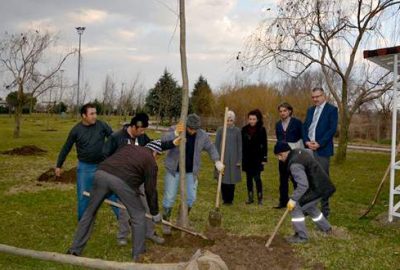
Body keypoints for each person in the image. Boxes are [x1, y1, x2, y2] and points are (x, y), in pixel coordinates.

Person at [67, 140, 167, 262]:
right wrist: (155, 212)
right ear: (155, 152)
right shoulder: (151, 161)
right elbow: (150, 190)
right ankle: (139, 256)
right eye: (158, 155)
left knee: (90, 212)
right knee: (139, 215)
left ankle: (74, 250)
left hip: (101, 173)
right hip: (122, 182)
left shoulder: (129, 148)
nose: (157, 158)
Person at [103, 113, 182, 246]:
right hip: (123, 180)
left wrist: (172, 143)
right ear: (133, 127)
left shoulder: (142, 137)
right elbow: (105, 155)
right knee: (124, 209)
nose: (143, 133)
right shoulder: (116, 138)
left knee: (147, 205)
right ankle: (122, 235)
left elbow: (155, 145)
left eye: (144, 130)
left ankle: (150, 233)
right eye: (141, 130)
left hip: (140, 178)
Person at [161, 113, 224, 234]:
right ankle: (166, 222)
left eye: (195, 129)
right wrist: (174, 135)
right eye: (190, 129)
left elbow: (211, 147)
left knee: (191, 197)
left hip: (191, 172)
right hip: (174, 170)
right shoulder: (176, 129)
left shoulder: (202, 135)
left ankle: (182, 219)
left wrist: (217, 161)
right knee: (169, 197)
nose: (193, 131)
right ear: (186, 125)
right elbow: (163, 140)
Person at [55, 103, 118, 221]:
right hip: (85, 168)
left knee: (112, 195)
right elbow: (66, 148)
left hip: (102, 166)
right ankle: (84, 224)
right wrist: (59, 165)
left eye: (95, 113)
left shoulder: (102, 125)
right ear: (84, 115)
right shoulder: (76, 130)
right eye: (92, 114)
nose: (95, 116)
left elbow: (114, 138)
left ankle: (125, 220)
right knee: (83, 197)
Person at [273, 142, 336, 244]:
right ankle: (326, 228)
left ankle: (301, 236)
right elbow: (310, 155)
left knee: (295, 206)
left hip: (316, 188)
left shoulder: (294, 165)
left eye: (279, 155)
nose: (279, 159)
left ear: (285, 152)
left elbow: (303, 185)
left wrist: (293, 199)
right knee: (309, 206)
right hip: (322, 185)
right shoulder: (300, 151)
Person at [302, 87, 338, 218]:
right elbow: (305, 126)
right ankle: (309, 206)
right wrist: (306, 141)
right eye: (313, 97)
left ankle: (325, 210)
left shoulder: (332, 110)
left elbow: (331, 129)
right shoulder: (310, 110)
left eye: (318, 96)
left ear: (324, 96)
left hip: (322, 149)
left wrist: (319, 143)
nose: (315, 99)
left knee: (323, 179)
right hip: (308, 148)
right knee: (309, 178)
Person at [274, 102, 303, 209]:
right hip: (282, 156)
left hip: (294, 155)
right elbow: (279, 139)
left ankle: (298, 202)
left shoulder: (297, 123)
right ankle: (283, 201)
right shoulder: (278, 124)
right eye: (280, 111)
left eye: (284, 111)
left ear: (289, 111)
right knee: (282, 179)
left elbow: (302, 138)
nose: (282, 113)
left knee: (296, 179)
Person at [215, 110, 242, 205]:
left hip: (234, 158)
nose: (229, 122)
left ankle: (230, 199)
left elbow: (239, 146)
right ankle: (225, 198)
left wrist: (239, 160)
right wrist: (216, 159)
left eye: (231, 120)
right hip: (223, 158)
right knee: (223, 178)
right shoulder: (221, 130)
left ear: (233, 120)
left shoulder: (237, 131)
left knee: (231, 179)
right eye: (227, 120)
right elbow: (217, 144)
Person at [242, 109, 267, 205]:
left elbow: (264, 144)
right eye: (250, 119)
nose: (252, 121)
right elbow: (242, 145)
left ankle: (260, 198)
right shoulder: (244, 129)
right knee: (248, 178)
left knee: (257, 178)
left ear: (257, 119)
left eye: (254, 119)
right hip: (247, 158)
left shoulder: (261, 129)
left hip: (257, 158)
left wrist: (264, 158)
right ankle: (250, 197)